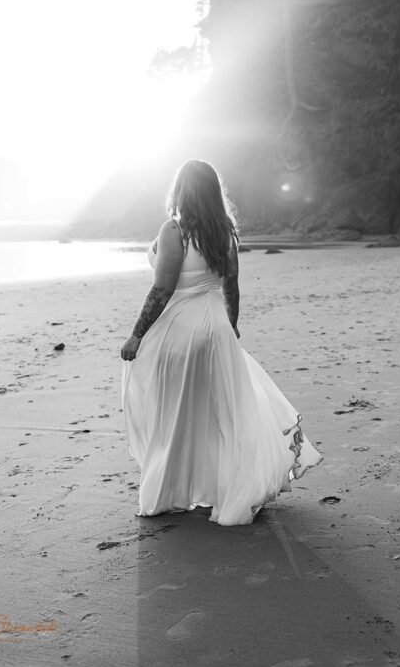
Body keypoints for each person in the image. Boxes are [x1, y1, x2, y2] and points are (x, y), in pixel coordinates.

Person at [120, 159, 322, 526]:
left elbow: (163, 288)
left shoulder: (174, 231)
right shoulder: (225, 233)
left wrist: (137, 334)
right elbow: (231, 285)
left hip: (180, 331)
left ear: (181, 191)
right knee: (222, 414)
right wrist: (230, 325)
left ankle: (171, 493)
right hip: (216, 327)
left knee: (176, 414)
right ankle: (225, 489)